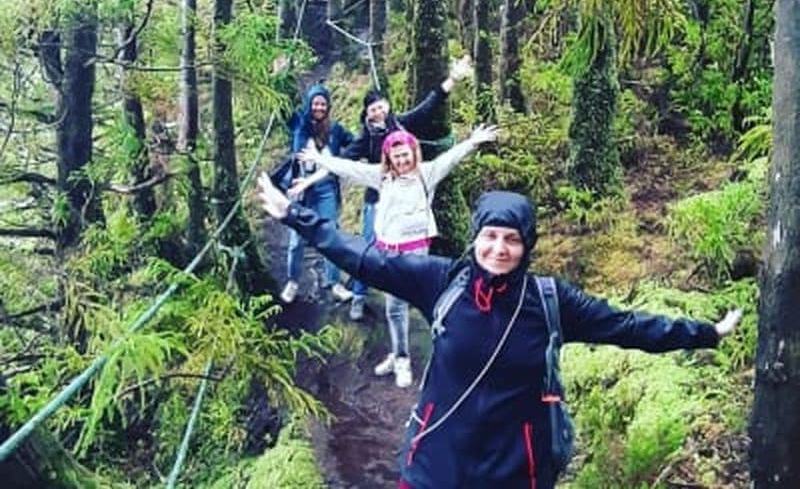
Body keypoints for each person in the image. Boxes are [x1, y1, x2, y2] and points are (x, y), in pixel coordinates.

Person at [257, 178, 742, 489]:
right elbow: (364, 258)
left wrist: (706, 333)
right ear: (475, 238)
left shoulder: (551, 302)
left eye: (512, 238)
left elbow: (627, 326)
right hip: (437, 459)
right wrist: (294, 217)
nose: (499, 248)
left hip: (517, 466)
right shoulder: (442, 281)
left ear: (527, 244)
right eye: (490, 235)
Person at [293, 124, 498, 388]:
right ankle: (400, 357)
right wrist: (319, 159)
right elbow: (348, 167)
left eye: (406, 155)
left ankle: (434, 361)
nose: (402, 161)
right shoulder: (381, 177)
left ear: (414, 153)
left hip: (416, 251)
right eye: (396, 156)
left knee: (419, 303)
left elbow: (451, 157)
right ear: (388, 158)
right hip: (388, 250)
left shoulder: (427, 174)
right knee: (395, 307)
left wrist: (473, 141)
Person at [339, 55, 473, 321]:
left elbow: (429, 105)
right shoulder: (365, 138)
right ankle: (358, 296)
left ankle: (404, 297)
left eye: (380, 107)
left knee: (410, 255)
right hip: (377, 203)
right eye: (372, 109)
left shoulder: (402, 124)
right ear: (366, 114)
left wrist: (453, 79)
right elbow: (344, 162)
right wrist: (317, 170)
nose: (378, 112)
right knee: (368, 251)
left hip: (407, 204)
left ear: (387, 106)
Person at [280, 82, 353, 304]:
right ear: (309, 104)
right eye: (315, 103)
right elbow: (282, 107)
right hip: (301, 191)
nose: (319, 107)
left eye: (323, 103)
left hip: (326, 189)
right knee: (297, 240)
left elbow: (356, 144)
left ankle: (334, 282)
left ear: (328, 106)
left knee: (330, 234)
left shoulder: (336, 130)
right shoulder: (299, 125)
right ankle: (292, 281)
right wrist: (281, 77)